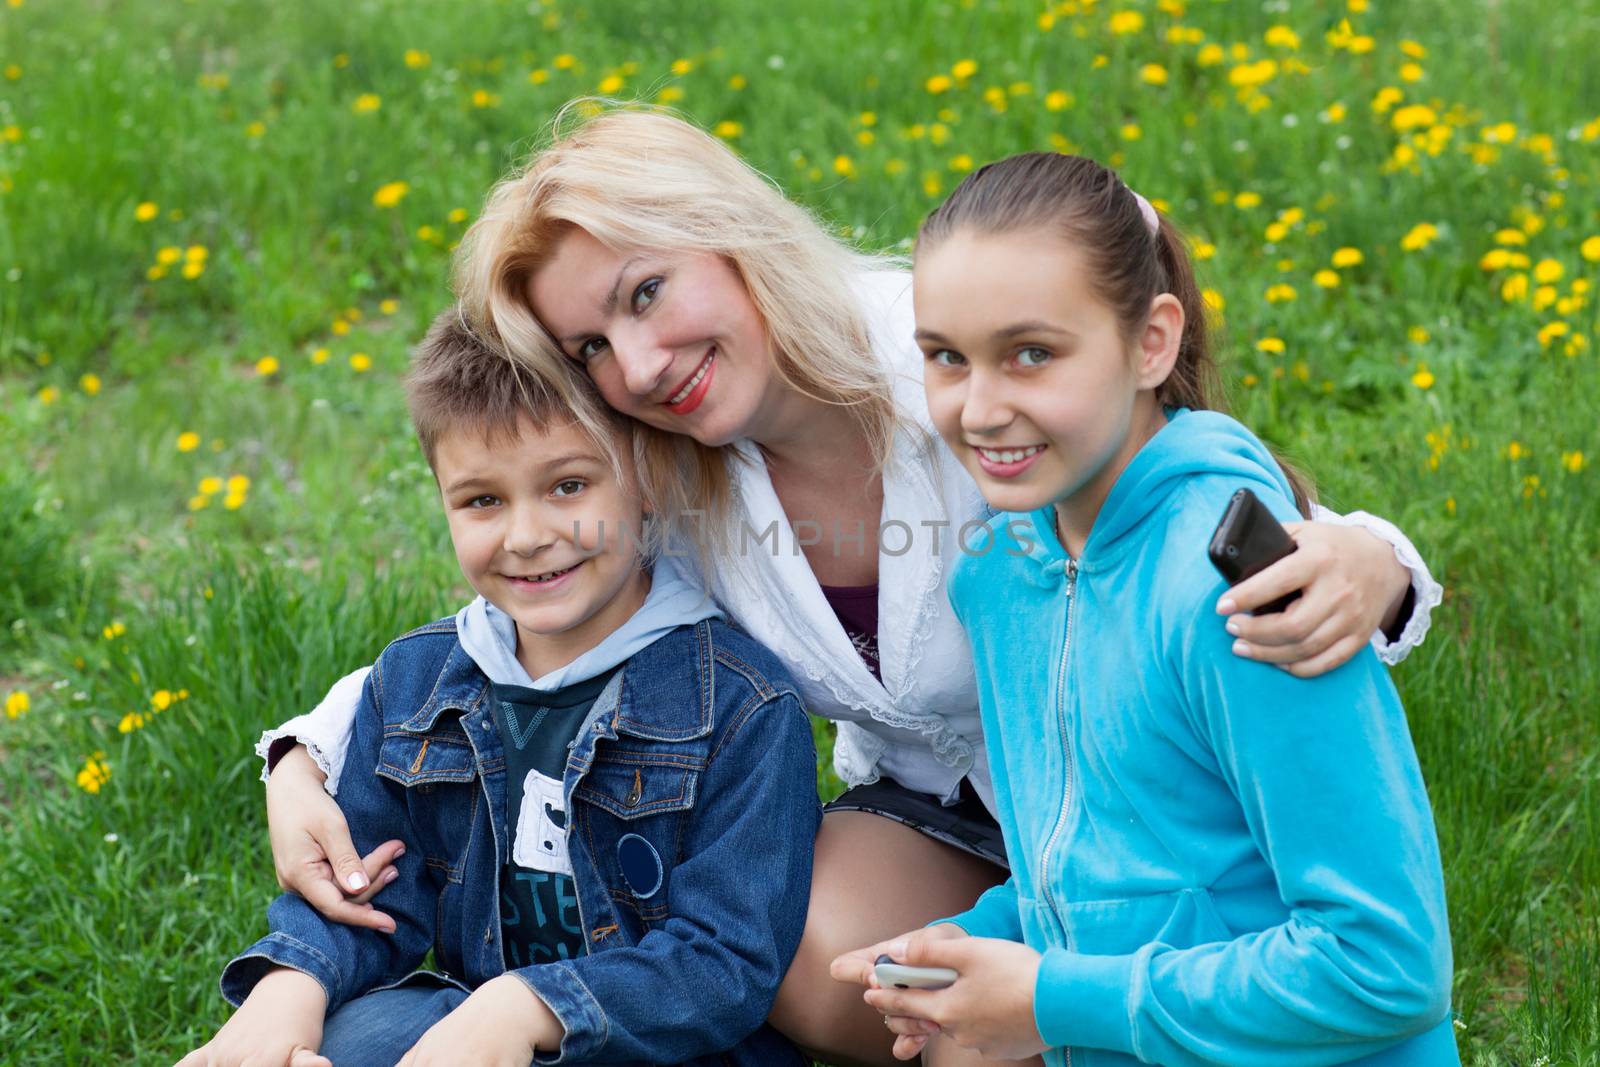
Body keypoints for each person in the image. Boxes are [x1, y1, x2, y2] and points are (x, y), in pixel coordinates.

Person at [256, 108, 1444, 1067]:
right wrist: (305, 752)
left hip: (1146, 792)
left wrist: (1374, 562)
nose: (638, 365)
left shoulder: (951, 354)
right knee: (808, 963)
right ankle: (1032, 1004)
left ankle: (1094, 1001)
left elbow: (1208, 507)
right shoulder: (669, 460)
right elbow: (538, 609)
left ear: (727, 233)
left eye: (646, 294)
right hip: (948, 814)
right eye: (589, 349)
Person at [832, 152, 1457, 1067]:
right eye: (946, 359)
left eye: (1032, 353)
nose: (982, 405)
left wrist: (1050, 1000)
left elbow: (1386, 965)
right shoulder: (1002, 577)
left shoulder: (1247, 589)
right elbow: (1070, 868)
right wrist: (956, 950)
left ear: (1151, 343)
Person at [181, 311, 819, 1067]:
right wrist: (292, 981)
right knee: (343, 1040)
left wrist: (529, 1004)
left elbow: (726, 966)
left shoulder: (742, 706)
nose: (524, 535)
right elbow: (373, 888)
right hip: (475, 1025)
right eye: (483, 500)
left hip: (668, 1045)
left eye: (568, 485)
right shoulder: (417, 681)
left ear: (649, 480)